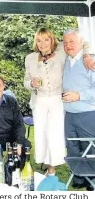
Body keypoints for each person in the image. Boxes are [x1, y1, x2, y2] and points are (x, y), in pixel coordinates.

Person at [23, 28, 94, 176]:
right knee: (41, 134)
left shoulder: (62, 51)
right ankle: (47, 162)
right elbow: (26, 82)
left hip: (57, 99)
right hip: (40, 100)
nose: (42, 44)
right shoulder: (30, 58)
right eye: (39, 40)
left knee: (55, 134)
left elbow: (82, 42)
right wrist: (31, 84)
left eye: (46, 39)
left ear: (52, 40)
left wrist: (87, 55)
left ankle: (53, 168)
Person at [62, 29, 95, 191]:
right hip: (69, 114)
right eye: (65, 42)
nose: (68, 45)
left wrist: (79, 95)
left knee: (91, 147)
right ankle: (79, 177)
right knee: (73, 147)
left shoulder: (90, 61)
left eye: (72, 41)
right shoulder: (67, 61)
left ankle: (93, 179)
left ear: (81, 43)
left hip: (87, 114)